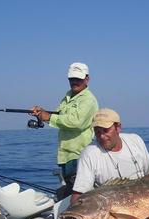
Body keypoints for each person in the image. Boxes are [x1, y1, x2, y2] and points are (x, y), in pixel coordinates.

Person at [31, 62, 99, 198]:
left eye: (78, 79)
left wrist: (48, 117)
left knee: (80, 195)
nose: (75, 82)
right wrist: (42, 114)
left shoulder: (88, 100)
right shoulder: (67, 96)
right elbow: (58, 116)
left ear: (87, 79)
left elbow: (76, 122)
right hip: (65, 156)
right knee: (71, 191)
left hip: (79, 155)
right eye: (72, 79)